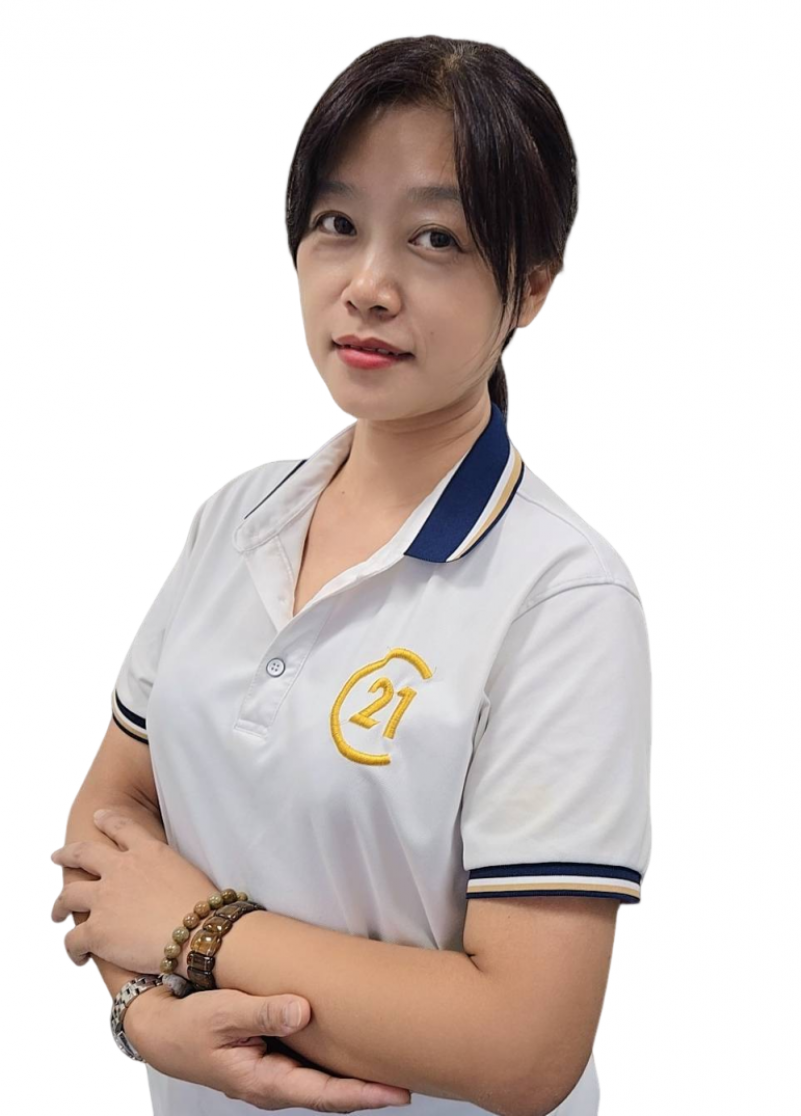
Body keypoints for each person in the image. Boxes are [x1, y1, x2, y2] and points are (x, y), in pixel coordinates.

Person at [53, 34, 651, 1116]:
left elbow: (525, 1047)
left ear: (530, 287)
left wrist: (201, 933)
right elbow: (113, 813)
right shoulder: (235, 519)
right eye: (337, 224)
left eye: (435, 238)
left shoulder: (562, 598)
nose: (367, 286)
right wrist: (143, 1012)